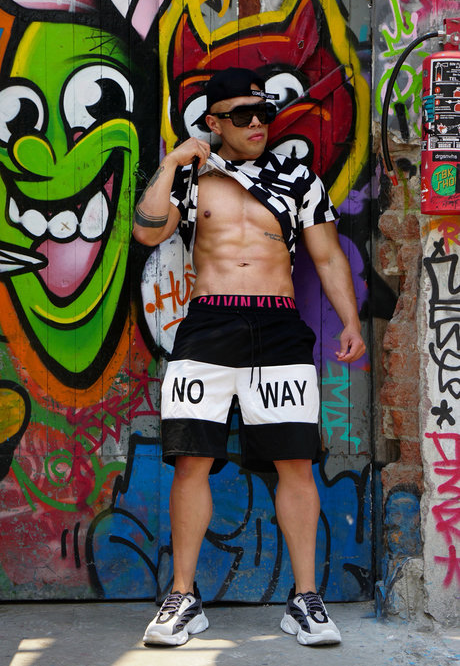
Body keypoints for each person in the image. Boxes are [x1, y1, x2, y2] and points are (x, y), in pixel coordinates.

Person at [132, 67, 366, 648]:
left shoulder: (298, 179)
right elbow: (147, 232)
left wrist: (351, 321)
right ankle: (183, 597)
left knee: (295, 462)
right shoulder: (193, 179)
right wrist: (172, 162)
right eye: (242, 115)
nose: (257, 123)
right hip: (208, 324)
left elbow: (327, 257)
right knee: (191, 461)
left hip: (278, 326)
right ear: (214, 123)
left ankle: (305, 598)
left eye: (264, 113)